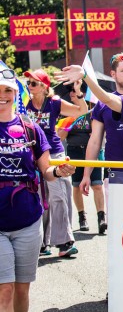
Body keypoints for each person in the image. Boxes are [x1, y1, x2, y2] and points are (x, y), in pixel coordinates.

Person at [0, 67, 76, 312]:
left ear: (16, 93)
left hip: (28, 219)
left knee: (22, 288)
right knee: (5, 289)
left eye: (8, 90)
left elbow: (45, 172)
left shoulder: (31, 128)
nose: (3, 95)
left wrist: (60, 171)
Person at [24, 68, 87, 257]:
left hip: (55, 153)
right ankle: (43, 243)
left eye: (34, 83)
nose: (30, 86)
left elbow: (81, 111)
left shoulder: (54, 103)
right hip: (33, 154)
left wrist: (79, 93)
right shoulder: (24, 104)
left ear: (44, 87)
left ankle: (64, 242)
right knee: (40, 198)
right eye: (28, 83)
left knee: (59, 195)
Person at [78, 52, 123, 233]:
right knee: (120, 228)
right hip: (116, 173)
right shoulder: (102, 105)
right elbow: (95, 140)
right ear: (113, 74)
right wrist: (86, 174)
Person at [56, 82, 105, 233]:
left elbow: (100, 136)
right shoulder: (66, 113)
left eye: (75, 92)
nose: (72, 95)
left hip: (93, 152)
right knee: (76, 185)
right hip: (74, 150)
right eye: (70, 92)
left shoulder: (94, 112)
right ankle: (82, 217)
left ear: (83, 95)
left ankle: (101, 217)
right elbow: (60, 137)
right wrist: (68, 124)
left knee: (97, 184)